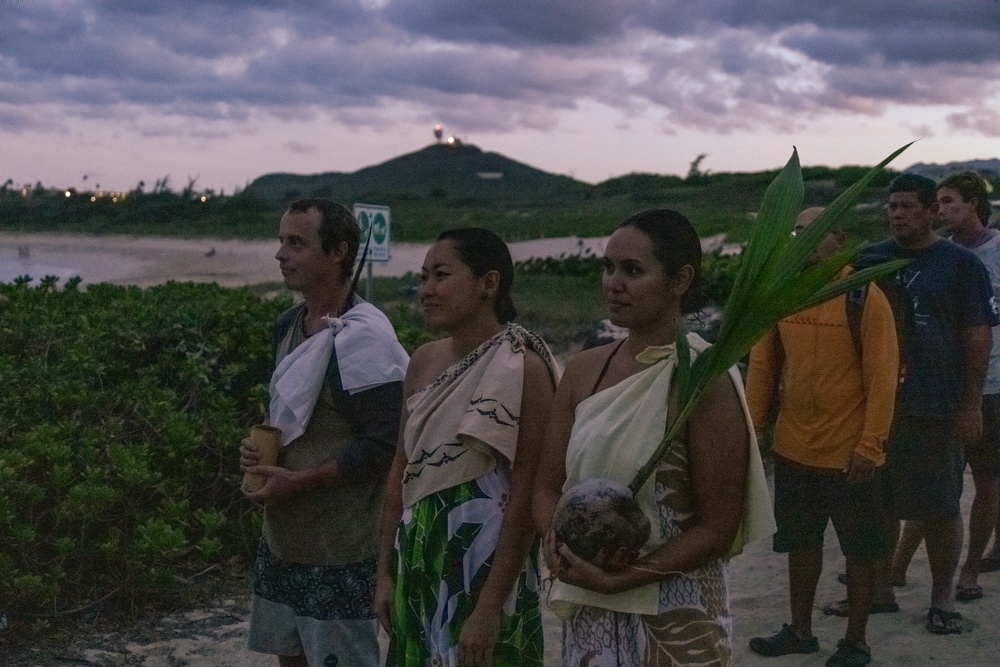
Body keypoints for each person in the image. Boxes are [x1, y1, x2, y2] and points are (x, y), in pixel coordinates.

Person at [533, 209, 773, 666]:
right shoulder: (584, 371)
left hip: (673, 612)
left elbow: (718, 527)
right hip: (590, 607)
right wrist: (559, 543)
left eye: (632, 270)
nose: (612, 283)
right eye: (608, 268)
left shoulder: (703, 379)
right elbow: (546, 487)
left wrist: (623, 578)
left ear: (680, 280)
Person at [375, 228, 559, 667]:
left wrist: (490, 607)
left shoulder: (524, 369)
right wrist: (384, 572)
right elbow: (401, 470)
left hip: (487, 575)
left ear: (488, 284)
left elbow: (525, 494)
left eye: (440, 275)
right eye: (423, 278)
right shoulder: (422, 361)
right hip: (419, 565)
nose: (426, 291)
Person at [240, 198, 409, 667]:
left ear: (338, 252)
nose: (280, 254)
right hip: (284, 539)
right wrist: (258, 455)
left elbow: (384, 443)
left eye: (296, 243)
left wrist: (302, 481)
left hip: (341, 547)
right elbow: (290, 417)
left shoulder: (365, 338)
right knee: (289, 657)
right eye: (281, 241)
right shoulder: (289, 326)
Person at [746, 208, 899, 667]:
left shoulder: (863, 296)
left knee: (860, 549)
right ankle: (800, 631)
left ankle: (856, 641)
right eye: (798, 230)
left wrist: (871, 445)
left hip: (849, 453)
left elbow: (882, 376)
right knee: (800, 543)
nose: (805, 238)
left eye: (818, 230)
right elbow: (763, 367)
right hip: (793, 447)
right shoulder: (784, 295)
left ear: (839, 238)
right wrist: (754, 430)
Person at [855, 174, 997, 635]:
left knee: (939, 507)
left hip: (935, 403)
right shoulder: (870, 260)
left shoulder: (958, 265)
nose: (897, 214)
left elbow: (977, 337)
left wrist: (971, 404)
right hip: (875, 407)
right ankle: (879, 592)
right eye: (891, 206)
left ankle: (942, 600)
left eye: (907, 206)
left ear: (932, 210)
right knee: (875, 506)